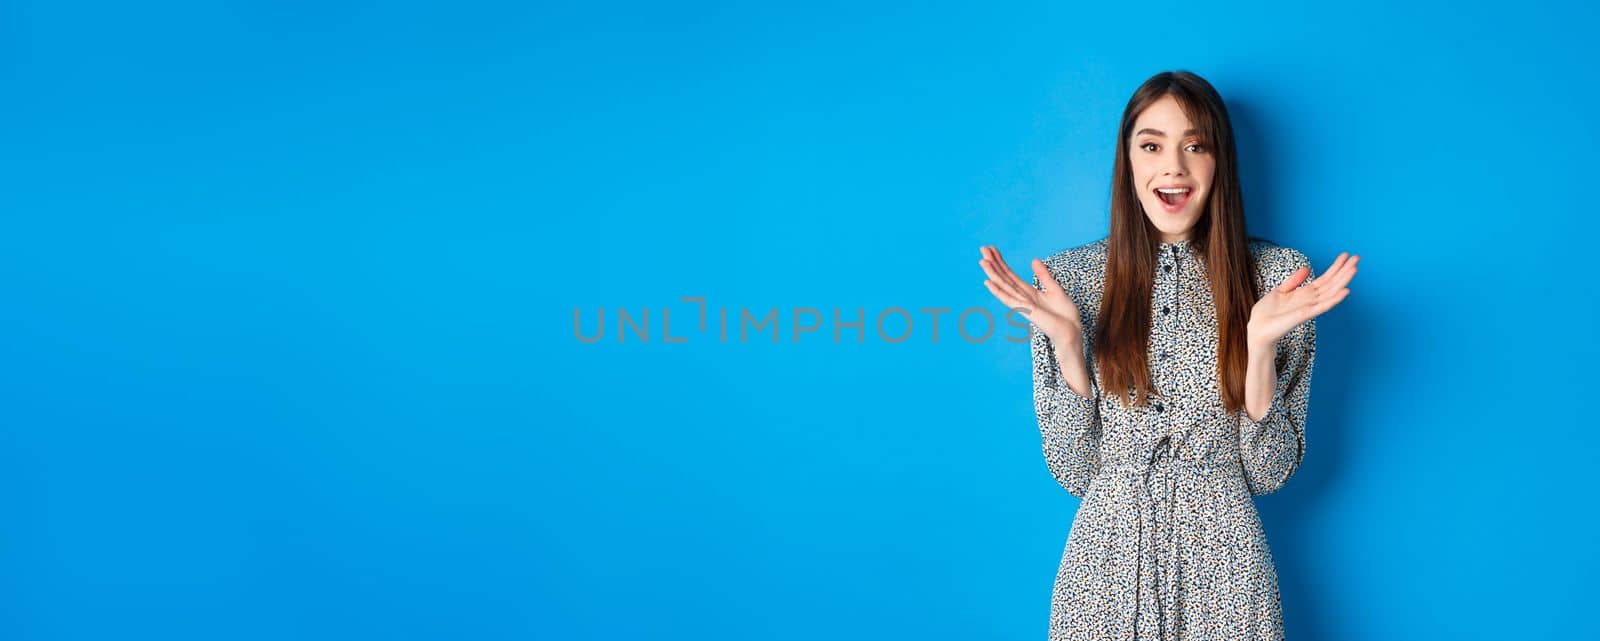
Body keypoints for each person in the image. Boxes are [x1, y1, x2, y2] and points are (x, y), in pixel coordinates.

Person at [977, 70, 1360, 641]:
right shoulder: (1071, 282)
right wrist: (1069, 346)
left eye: (1195, 145)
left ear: (1218, 162)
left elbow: (1268, 471)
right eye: (1151, 145)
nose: (1173, 166)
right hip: (1103, 579)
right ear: (1127, 161)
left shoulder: (1279, 281)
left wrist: (1258, 349)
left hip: (1229, 581)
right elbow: (1077, 472)